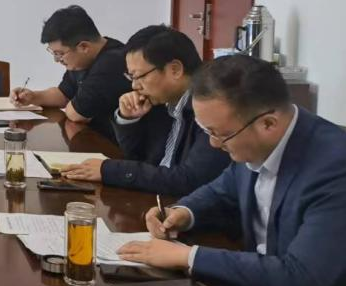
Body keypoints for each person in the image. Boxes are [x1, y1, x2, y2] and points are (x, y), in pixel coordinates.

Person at [119, 55, 346, 286]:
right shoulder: (254, 137)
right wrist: (183, 213)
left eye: (220, 134)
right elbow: (223, 189)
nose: (214, 144)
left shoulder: (336, 168)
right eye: (208, 132)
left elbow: (301, 279)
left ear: (268, 123)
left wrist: (189, 257)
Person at [60, 25, 229, 195]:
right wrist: (129, 120)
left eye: (139, 76)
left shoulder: (211, 108)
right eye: (131, 77)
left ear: (175, 70)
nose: (134, 86)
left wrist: (110, 171)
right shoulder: (162, 102)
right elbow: (137, 158)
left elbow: (189, 180)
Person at [11, 5, 131, 144]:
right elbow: (63, 94)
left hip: (114, 147)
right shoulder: (84, 59)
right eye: (53, 53)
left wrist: (72, 105)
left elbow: (76, 114)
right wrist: (33, 97)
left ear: (83, 47)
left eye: (59, 54)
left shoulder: (111, 63)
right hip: (89, 139)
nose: (56, 60)